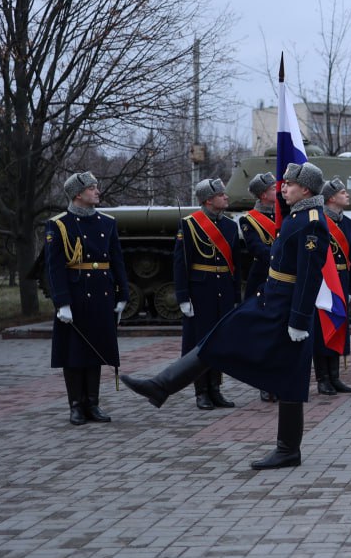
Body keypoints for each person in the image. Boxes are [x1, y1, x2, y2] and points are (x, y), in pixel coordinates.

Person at [123, 162, 329, 470]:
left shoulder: (311, 221)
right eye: (283, 184)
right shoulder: (298, 216)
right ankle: (161, 385)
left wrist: (299, 320)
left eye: (289, 184)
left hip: (285, 309)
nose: (283, 188)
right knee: (220, 337)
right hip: (270, 302)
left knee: (289, 375)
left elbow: (310, 275)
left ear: (306, 189)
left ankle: (287, 450)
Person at [45, 172, 129, 425]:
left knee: (97, 350)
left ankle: (93, 403)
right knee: (74, 352)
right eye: (92, 188)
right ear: (78, 194)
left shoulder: (107, 222)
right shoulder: (59, 224)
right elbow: (54, 267)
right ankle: (76, 405)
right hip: (75, 294)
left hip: (102, 293)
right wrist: (62, 302)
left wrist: (123, 294)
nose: (97, 192)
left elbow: (117, 261)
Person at [173, 178, 240, 410]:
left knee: (218, 343)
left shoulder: (231, 226)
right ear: (208, 200)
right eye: (222, 195)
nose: (226, 197)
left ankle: (216, 389)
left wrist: (235, 296)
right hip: (200, 292)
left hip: (223, 291)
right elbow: (181, 264)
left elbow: (235, 265)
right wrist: (182, 297)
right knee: (199, 344)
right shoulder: (190, 225)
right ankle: (201, 391)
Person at [313, 177, 351, 395]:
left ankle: (335, 376)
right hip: (323, 282)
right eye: (342, 192)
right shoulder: (317, 221)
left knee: (339, 327)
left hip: (341, 280)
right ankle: (322, 378)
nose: (347, 195)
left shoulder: (348, 223)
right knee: (323, 330)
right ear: (331, 198)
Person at [239, 172, 278, 300]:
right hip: (263, 274)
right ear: (263, 195)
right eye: (273, 188)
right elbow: (256, 248)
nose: (278, 189)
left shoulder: (284, 215)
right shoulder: (248, 219)